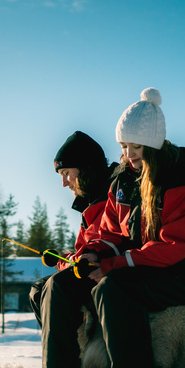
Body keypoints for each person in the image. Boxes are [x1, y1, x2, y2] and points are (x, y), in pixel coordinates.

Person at [79, 87, 185, 368]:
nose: (128, 154)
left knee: (115, 288)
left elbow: (175, 246)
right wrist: (95, 253)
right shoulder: (124, 181)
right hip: (145, 265)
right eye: (123, 145)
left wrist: (115, 264)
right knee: (64, 284)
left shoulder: (181, 182)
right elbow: (112, 230)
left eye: (136, 146)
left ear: (153, 146)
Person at [29, 131, 117, 328]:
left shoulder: (113, 197)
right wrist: (60, 259)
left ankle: (65, 358)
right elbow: (82, 255)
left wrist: (74, 262)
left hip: (110, 272)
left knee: (55, 287)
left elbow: (98, 251)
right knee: (38, 290)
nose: (64, 183)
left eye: (66, 173)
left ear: (86, 168)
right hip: (92, 270)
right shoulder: (91, 204)